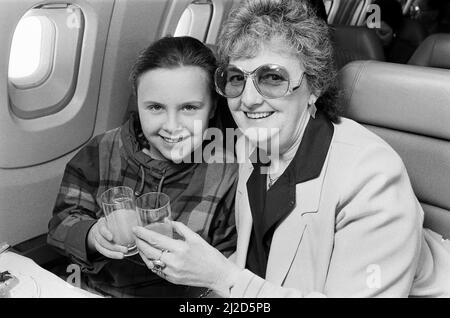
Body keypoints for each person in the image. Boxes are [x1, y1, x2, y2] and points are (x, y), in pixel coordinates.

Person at [134, 0, 450, 297]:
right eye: (236, 78)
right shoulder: (251, 148)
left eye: (272, 77)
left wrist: (221, 278)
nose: (248, 99)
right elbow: (261, 265)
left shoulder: (373, 177)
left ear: (314, 86)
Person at [47, 36, 237, 297]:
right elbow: (61, 222)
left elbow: (231, 266)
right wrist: (92, 234)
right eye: (156, 107)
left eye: (189, 108)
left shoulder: (228, 173)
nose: (172, 126)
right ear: (138, 103)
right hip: (93, 289)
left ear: (213, 107)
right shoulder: (101, 150)